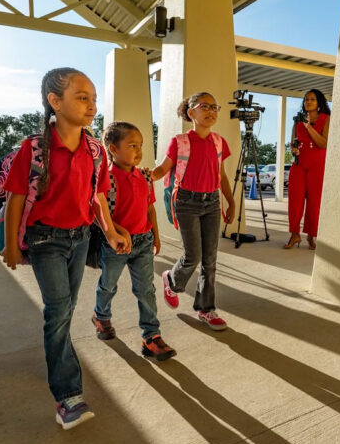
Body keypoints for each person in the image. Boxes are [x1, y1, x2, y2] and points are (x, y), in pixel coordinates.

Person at [1, 67, 127, 430]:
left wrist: (110, 231)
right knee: (58, 311)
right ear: (55, 101)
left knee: (66, 309)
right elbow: (15, 198)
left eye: (94, 99)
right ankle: (68, 395)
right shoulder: (34, 148)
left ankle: (57, 355)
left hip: (80, 237)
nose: (92, 106)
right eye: (82, 97)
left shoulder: (95, 150)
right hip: (45, 240)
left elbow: (98, 197)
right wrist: (11, 246)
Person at [150, 92, 235, 331]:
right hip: (186, 202)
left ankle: (206, 309)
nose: (211, 111)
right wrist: (144, 174)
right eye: (204, 106)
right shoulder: (180, 142)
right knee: (192, 256)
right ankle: (172, 280)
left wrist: (231, 202)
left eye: (214, 107)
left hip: (212, 203)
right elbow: (162, 169)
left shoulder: (219, 142)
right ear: (191, 113)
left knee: (210, 260)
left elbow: (221, 175)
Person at [92, 122, 176, 361]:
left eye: (140, 145)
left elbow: (150, 208)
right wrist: (117, 232)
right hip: (116, 245)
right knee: (108, 285)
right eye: (132, 146)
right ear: (113, 149)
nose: (139, 151)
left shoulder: (145, 177)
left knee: (146, 289)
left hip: (143, 241)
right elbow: (99, 213)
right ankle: (101, 317)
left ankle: (151, 336)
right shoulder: (106, 178)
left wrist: (156, 236)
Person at [285, 89, 331, 250]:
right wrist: (293, 150)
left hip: (317, 164)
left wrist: (308, 126)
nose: (308, 102)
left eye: (312, 99)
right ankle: (294, 234)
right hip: (299, 164)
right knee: (295, 200)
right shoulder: (297, 120)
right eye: (306, 99)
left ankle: (311, 235)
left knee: (314, 201)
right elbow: (293, 142)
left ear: (319, 103)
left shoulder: (326, 119)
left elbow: (323, 143)